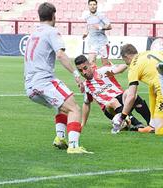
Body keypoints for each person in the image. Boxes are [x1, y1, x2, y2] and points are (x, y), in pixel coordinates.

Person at [24, 2, 92, 154]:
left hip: (29, 86)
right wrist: (76, 75)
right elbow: (60, 54)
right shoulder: (52, 32)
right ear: (54, 16)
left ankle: (60, 138)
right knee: (74, 108)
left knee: (61, 106)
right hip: (44, 81)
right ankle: (74, 146)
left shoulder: (33, 34)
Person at [115, 43, 163, 136]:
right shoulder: (150, 52)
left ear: (126, 56)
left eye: (123, 59)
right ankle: (152, 124)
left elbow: (131, 95)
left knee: (160, 130)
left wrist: (122, 117)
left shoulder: (133, 67)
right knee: (152, 87)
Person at [74, 55, 151, 133]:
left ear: (90, 65)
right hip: (109, 108)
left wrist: (114, 71)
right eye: (80, 70)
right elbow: (86, 103)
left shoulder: (103, 71)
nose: (84, 72)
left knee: (130, 92)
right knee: (112, 101)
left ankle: (151, 122)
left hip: (122, 99)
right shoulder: (86, 85)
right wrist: (83, 124)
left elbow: (124, 66)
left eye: (85, 68)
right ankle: (138, 125)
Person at [82, 0, 112, 66]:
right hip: (93, 42)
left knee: (105, 64)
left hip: (102, 43)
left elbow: (110, 26)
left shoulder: (101, 15)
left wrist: (100, 27)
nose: (92, 6)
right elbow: (88, 27)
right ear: (88, 6)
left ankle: (109, 70)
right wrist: (86, 33)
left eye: (94, 4)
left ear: (96, 6)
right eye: (91, 5)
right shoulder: (87, 16)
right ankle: (96, 76)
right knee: (91, 62)